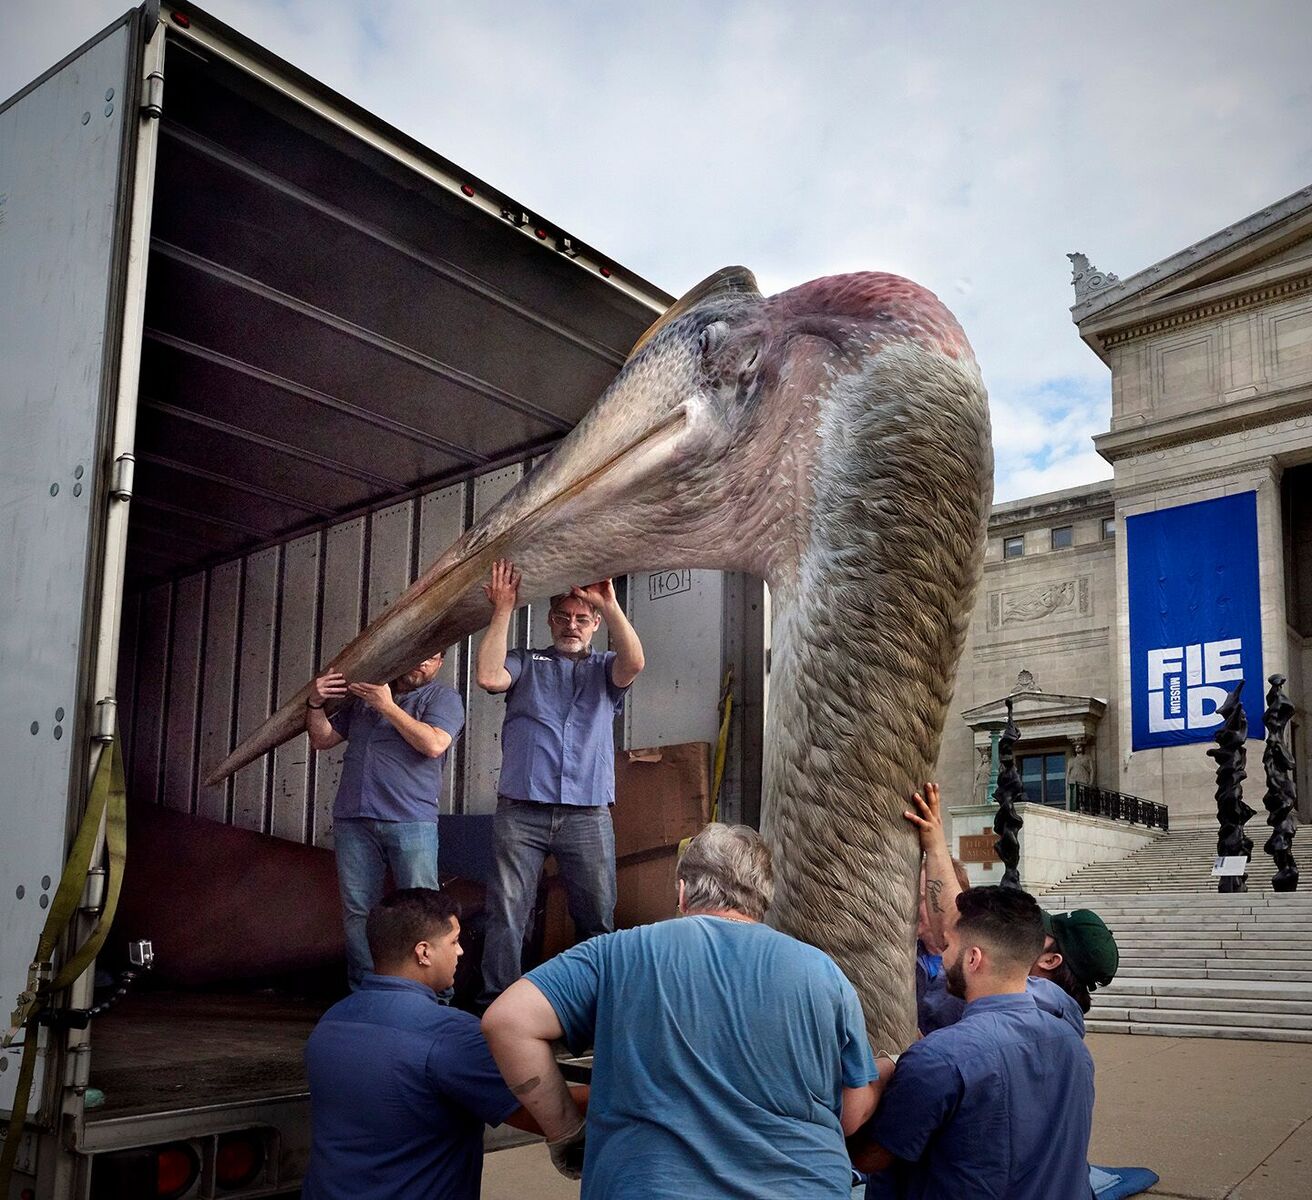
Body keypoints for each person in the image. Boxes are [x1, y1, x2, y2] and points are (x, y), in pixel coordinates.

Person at [481, 823, 880, 1199]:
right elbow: (852, 1115)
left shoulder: (618, 953)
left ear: (683, 891)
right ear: (763, 900)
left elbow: (508, 1021)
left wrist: (568, 1133)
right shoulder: (824, 973)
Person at [852, 886, 1095, 1200]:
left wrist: (873, 1081)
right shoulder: (1073, 1045)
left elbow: (869, 1158)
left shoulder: (939, 1058)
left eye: (949, 945)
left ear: (973, 958)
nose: (943, 956)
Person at [475, 558, 645, 1006]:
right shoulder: (526, 661)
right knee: (508, 914)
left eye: (582, 619)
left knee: (596, 915)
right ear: (551, 620)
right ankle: (497, 1004)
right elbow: (488, 676)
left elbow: (636, 661)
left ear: (593, 625)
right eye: (564, 617)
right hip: (521, 811)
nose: (572, 625)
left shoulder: (605, 668)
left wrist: (609, 605)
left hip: (586, 814)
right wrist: (503, 609)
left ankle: (597, 1005)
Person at [302, 889, 524, 1200]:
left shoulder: (331, 1021)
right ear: (423, 952)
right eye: (454, 942)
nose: (460, 952)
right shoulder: (452, 1034)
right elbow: (541, 1110)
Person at [906, 783, 1117, 1034]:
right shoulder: (1057, 1021)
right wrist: (936, 847)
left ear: (1050, 960)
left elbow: (952, 930)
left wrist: (936, 849)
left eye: (1041, 932)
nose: (1026, 931)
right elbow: (953, 930)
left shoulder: (1009, 1007)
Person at [306, 652, 464, 988]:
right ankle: (366, 993)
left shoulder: (443, 697)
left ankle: (430, 997)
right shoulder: (366, 695)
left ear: (440, 664)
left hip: (411, 819)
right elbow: (322, 739)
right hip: (354, 818)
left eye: (432, 659)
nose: (422, 662)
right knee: (359, 913)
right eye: (419, 655)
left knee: (424, 915)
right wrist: (315, 703)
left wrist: (387, 706)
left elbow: (434, 744)